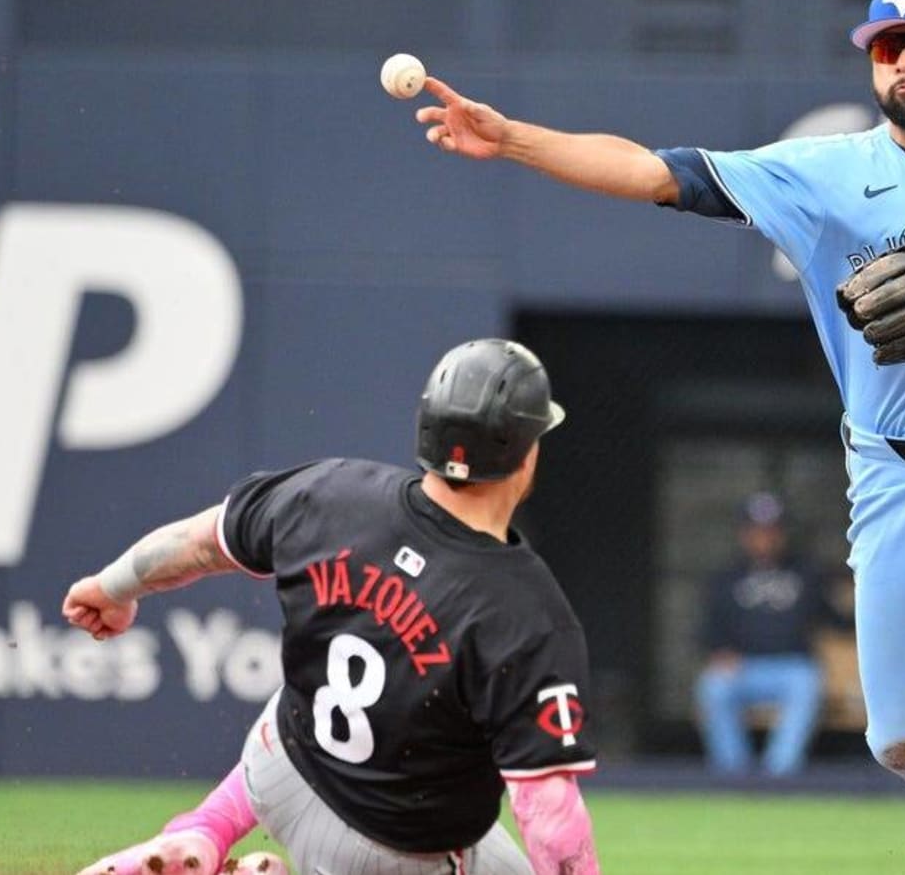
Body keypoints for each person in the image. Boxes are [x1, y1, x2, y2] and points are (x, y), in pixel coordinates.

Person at [410, 0, 905, 871]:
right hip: (891, 472)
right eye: (886, 47)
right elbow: (655, 172)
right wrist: (512, 139)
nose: (903, 60)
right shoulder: (825, 173)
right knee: (900, 735)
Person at [64, 339, 603, 875]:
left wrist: (112, 589)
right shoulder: (525, 612)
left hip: (277, 770)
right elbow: (546, 812)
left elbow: (201, 542)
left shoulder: (330, 494)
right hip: (393, 852)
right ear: (528, 453)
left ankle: (205, 829)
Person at [695, 492, 840, 777]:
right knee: (713, 686)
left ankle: (779, 775)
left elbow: (834, 619)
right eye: (757, 531)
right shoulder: (726, 577)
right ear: (744, 534)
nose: (765, 538)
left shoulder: (806, 572)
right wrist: (719, 652)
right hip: (743, 668)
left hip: (792, 667)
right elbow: (707, 630)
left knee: (807, 683)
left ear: (783, 533)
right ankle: (733, 774)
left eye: (772, 531)